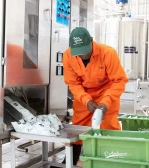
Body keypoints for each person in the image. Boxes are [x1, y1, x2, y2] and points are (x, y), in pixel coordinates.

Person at [51, 27, 128, 167]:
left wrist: (106, 102)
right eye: (78, 53)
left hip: (107, 93)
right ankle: (71, 159)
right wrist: (86, 100)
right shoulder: (68, 56)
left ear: (91, 42)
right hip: (84, 95)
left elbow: (119, 80)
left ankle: (110, 160)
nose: (82, 56)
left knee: (108, 126)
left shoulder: (108, 53)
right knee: (78, 126)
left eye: (84, 52)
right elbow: (72, 83)